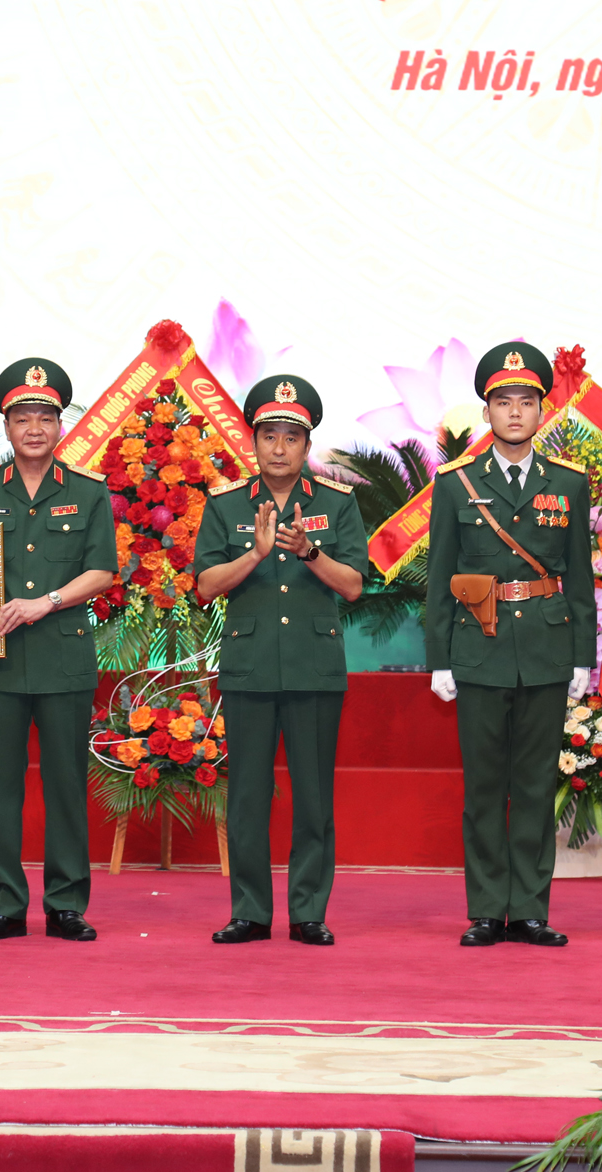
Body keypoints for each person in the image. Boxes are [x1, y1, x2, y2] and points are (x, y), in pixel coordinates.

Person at [425, 344, 596, 947]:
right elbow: (440, 577)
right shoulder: (455, 485)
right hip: (479, 650)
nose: (515, 413)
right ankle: (484, 908)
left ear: (542, 410)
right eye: (504, 402)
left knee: (533, 786)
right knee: (484, 788)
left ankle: (528, 909)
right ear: (487, 411)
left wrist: (582, 656)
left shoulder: (569, 484)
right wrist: (439, 660)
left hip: (546, 651)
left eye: (526, 402)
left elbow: (578, 575)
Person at [195, 376, 367, 945]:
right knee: (246, 795)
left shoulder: (338, 504)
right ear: (254, 441)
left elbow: (353, 587)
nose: (278, 447)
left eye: (291, 437)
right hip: (249, 669)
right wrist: (257, 554)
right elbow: (204, 587)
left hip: (314, 668)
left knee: (313, 796)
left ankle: (309, 911)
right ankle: (249, 911)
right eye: (269, 435)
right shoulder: (224, 506)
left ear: (306, 444)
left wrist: (309, 552)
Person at [0, 359, 116, 942]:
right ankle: (5, 904)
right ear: (6, 423)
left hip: (63, 657)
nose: (35, 428)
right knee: (0, 787)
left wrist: (48, 599)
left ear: (60, 425)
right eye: (23, 417)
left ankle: (67, 904)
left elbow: (102, 571)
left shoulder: (89, 493)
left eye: (46, 416)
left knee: (66, 785)